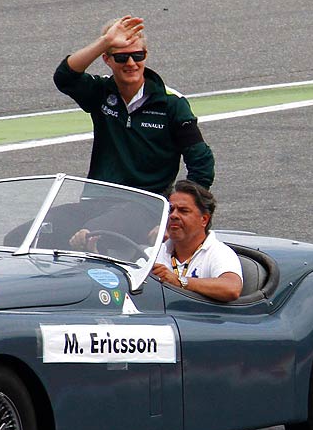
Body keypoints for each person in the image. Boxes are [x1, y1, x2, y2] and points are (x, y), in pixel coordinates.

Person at [54, 16, 215, 194]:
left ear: (146, 55)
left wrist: (180, 205)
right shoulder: (100, 91)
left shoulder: (172, 103)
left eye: (138, 55)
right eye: (122, 57)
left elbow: (201, 162)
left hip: (147, 204)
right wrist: (105, 41)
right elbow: (64, 76)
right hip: (98, 199)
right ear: (107, 59)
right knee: (45, 222)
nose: (131, 63)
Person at [150, 181, 242, 303]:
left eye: (183, 211)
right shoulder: (154, 251)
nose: (173, 216)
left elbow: (231, 288)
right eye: (171, 210)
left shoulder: (219, 252)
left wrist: (179, 281)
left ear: (204, 219)